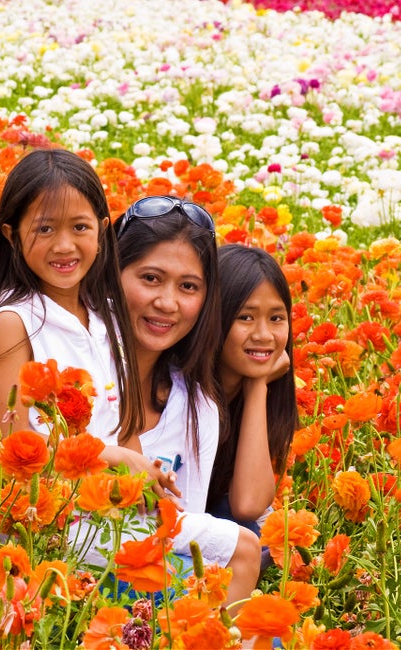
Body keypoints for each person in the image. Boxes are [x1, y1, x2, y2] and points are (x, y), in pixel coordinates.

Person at [0, 149, 178, 514]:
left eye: (80, 227)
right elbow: (14, 451)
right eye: (44, 229)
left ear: (102, 230)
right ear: (12, 237)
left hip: (106, 505)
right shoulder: (16, 321)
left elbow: (123, 430)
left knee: (228, 546)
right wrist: (110, 456)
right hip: (48, 512)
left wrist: (143, 481)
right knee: (240, 548)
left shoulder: (106, 316)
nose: (64, 245)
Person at [111, 196, 261, 610]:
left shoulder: (197, 406)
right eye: (151, 278)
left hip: (155, 581)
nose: (167, 303)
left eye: (188, 286)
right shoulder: (77, 375)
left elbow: (183, 535)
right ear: (112, 274)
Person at [207, 244, 298, 535]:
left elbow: (248, 504)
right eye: (245, 317)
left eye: (276, 318)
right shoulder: (180, 392)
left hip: (210, 514)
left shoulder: (258, 389)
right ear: (214, 318)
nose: (263, 335)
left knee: (264, 536)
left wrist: (257, 386)